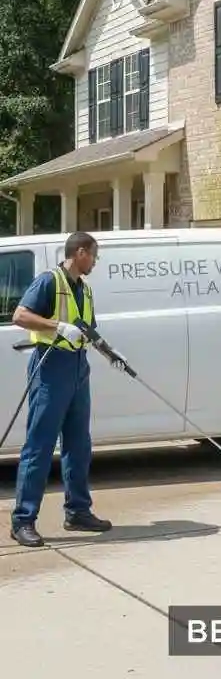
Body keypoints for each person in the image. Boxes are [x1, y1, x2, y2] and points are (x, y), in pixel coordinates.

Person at [8, 231, 113, 547]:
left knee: (79, 444)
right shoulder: (49, 281)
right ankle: (23, 521)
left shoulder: (86, 290)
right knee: (39, 445)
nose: (95, 261)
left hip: (78, 369)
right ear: (80, 252)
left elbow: (88, 330)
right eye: (93, 255)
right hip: (51, 367)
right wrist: (57, 326)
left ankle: (78, 512)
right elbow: (20, 315)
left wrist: (111, 354)